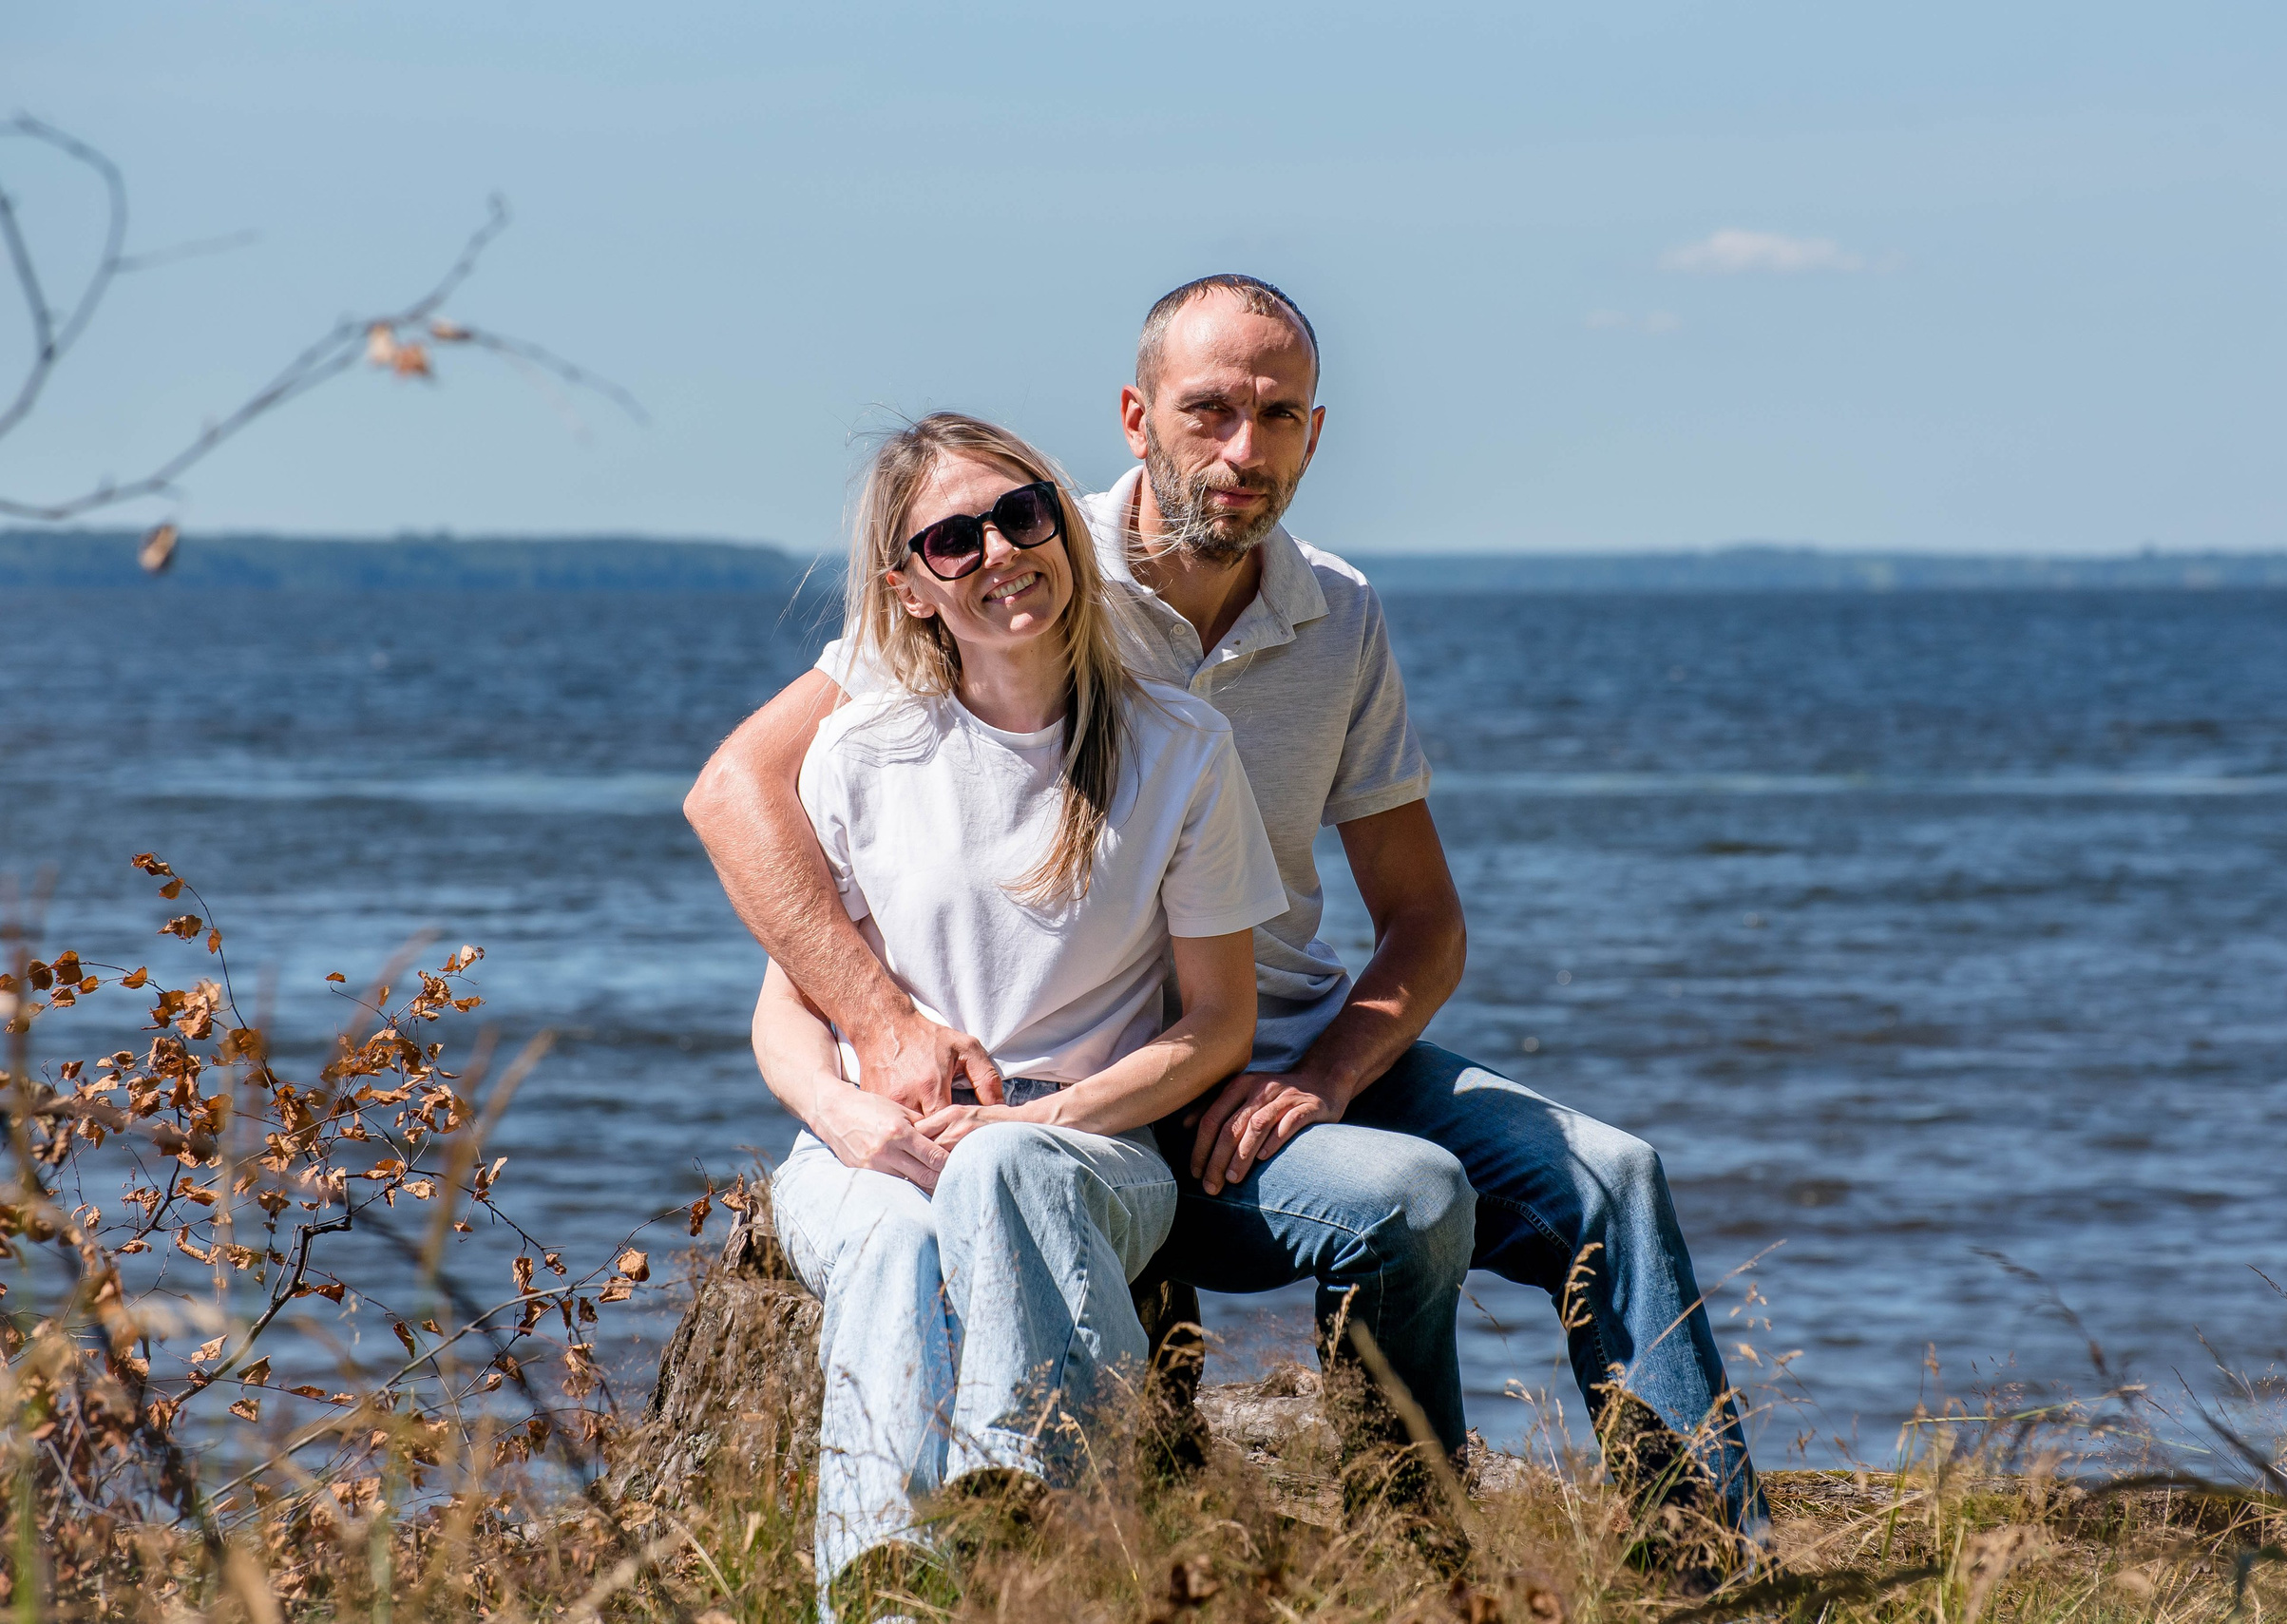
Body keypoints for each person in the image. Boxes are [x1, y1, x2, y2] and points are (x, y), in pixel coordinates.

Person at [690, 277, 1768, 1552]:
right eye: (1209, 412)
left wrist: (1322, 1071)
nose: (1242, 451)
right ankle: (1408, 1535)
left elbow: (1424, 922)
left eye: (1278, 416)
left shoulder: (1339, 613)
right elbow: (741, 788)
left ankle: (1702, 1552)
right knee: (1405, 1200)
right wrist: (878, 1024)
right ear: (1138, 415)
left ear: (1318, 434)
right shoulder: (1019, 564)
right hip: (1115, 1068)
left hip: (1285, 1041)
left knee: (1616, 1176)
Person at [751, 412, 1286, 1611]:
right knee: (890, 1238)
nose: (998, 550)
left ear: (1061, 522)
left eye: (1021, 512)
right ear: (912, 587)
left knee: (1002, 1177)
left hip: (1092, 1142)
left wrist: (1035, 1123)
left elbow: (1217, 1026)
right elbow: (782, 1015)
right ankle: (889, 1590)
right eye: (953, 537)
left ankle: (1015, 1520)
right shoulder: (856, 755)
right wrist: (846, 1119)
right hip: (873, 1145)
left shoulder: (1181, 747)